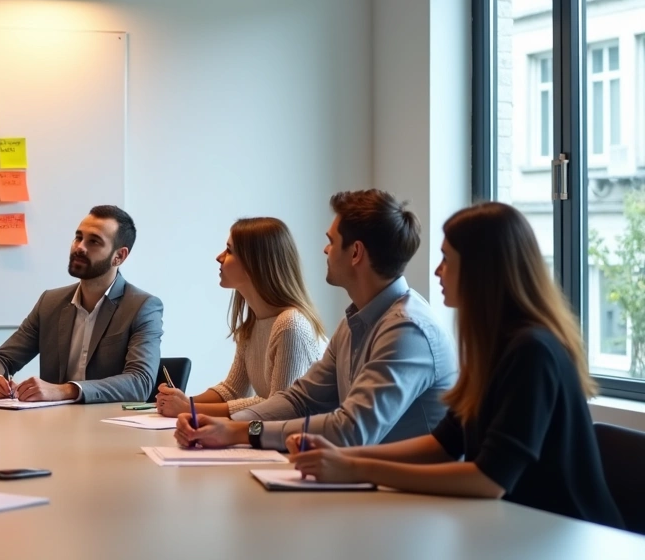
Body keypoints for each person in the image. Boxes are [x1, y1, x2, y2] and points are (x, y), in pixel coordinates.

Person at [287, 202, 623, 528]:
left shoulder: (532, 351)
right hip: (519, 530)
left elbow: (488, 480)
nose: (437, 270)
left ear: (481, 269)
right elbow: (443, 445)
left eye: (446, 259)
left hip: (571, 537)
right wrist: (343, 456)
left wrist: (356, 470)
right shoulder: (494, 347)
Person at [176, 190, 457, 451]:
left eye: (331, 241)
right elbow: (299, 400)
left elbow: (350, 429)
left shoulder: (407, 330)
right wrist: (229, 425)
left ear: (355, 253)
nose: (325, 249)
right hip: (365, 479)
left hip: (401, 488)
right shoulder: (352, 323)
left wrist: (241, 430)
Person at [0, 205, 163, 404]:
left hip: (108, 421)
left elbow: (140, 382)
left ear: (119, 256)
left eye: (94, 241)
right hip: (54, 420)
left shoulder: (142, 307)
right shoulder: (50, 302)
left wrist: (66, 390)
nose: (79, 247)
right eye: (78, 237)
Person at [156, 217, 327, 418]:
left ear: (254, 263)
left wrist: (189, 409)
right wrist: (183, 402)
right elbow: (233, 390)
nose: (219, 257)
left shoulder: (291, 324)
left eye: (229, 251)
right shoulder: (254, 322)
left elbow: (279, 409)